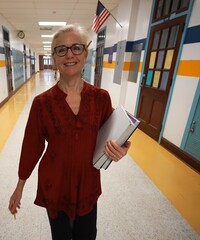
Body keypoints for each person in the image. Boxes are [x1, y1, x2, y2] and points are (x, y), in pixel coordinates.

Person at [8, 23, 131, 240]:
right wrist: (19, 186)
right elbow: (31, 146)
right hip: (54, 184)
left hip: (88, 184)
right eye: (61, 50)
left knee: (87, 235)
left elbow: (114, 136)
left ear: (85, 54)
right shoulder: (41, 103)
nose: (69, 55)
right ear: (54, 59)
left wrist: (121, 147)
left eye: (76, 48)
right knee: (61, 236)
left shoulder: (101, 98)